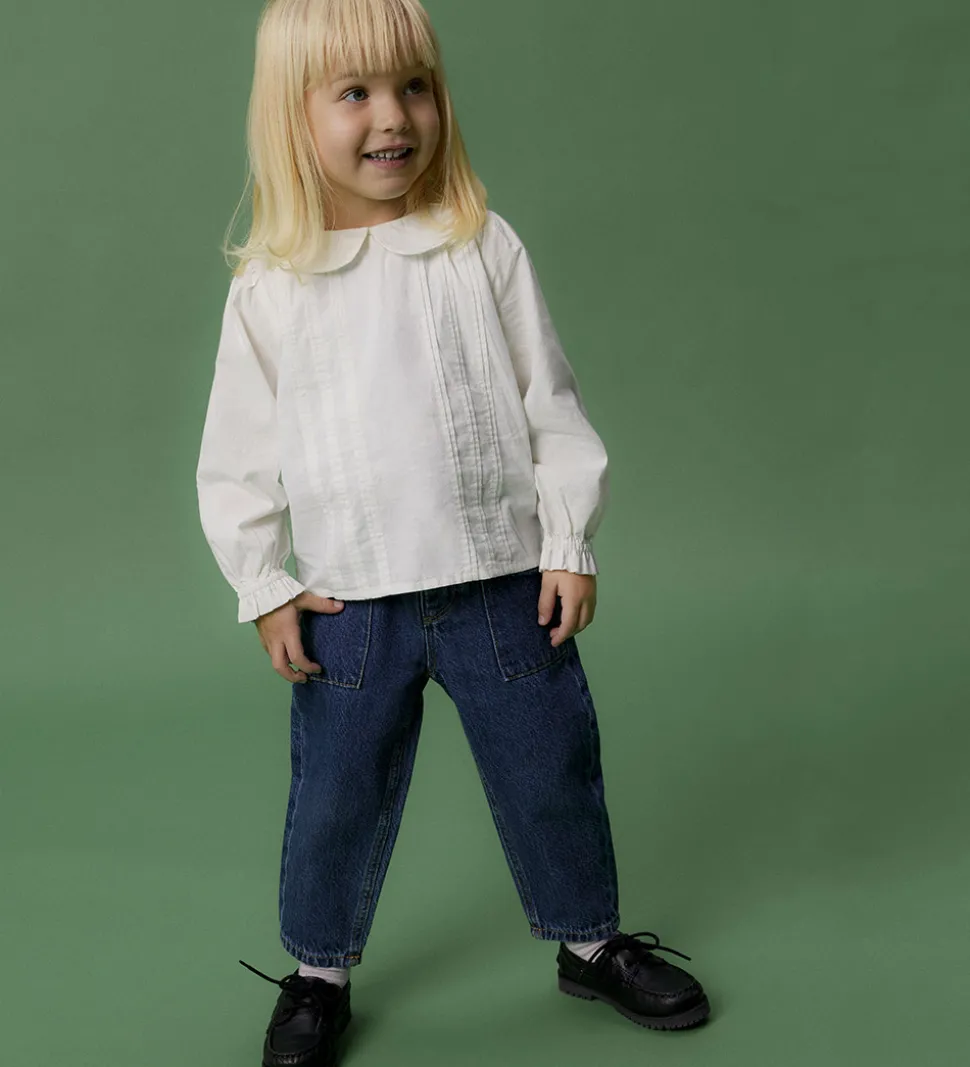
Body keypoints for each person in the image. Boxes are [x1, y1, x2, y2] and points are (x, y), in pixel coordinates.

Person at [195, 0, 711, 1062]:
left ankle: (590, 939)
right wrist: (264, 582)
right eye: (355, 93)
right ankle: (318, 971)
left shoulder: (478, 246)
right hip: (351, 603)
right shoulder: (273, 288)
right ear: (293, 116)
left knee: (549, 769)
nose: (393, 116)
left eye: (415, 87)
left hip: (501, 586)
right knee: (336, 796)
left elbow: (549, 403)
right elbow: (236, 453)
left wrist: (567, 540)